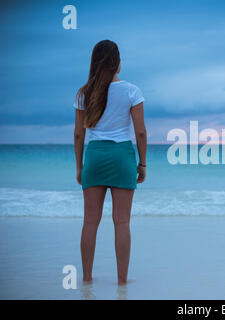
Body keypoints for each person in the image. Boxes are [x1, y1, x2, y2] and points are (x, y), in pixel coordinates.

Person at [73, 40, 147, 285]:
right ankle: (122, 281)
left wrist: (79, 166)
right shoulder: (132, 91)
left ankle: (86, 279)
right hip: (122, 156)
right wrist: (143, 163)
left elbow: (78, 134)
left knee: (90, 222)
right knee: (122, 221)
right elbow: (141, 133)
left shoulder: (84, 93)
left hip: (94, 156)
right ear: (118, 63)